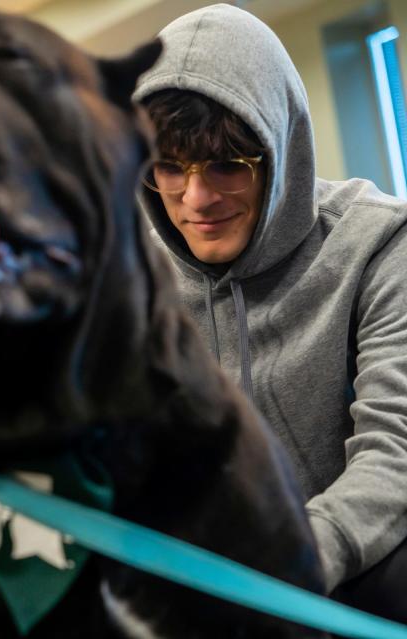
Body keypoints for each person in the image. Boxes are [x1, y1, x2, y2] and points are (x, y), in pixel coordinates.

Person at [132, 4, 407, 620]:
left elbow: (397, 452)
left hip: (342, 561)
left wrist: (295, 555)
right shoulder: (129, 274)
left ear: (281, 149)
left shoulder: (377, 245)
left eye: (228, 165)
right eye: (169, 168)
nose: (196, 199)